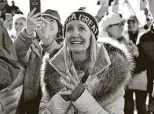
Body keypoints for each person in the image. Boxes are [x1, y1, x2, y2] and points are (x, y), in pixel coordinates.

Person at [39, 10, 134, 114]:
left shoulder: (111, 71)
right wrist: (61, 100)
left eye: (81, 28)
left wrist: (81, 97)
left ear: (92, 35)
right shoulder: (54, 69)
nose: (75, 34)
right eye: (70, 29)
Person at [13, 8, 63, 114]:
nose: (47, 23)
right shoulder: (32, 45)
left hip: (54, 105)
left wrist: (47, 40)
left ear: (59, 28)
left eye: (51, 20)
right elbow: (17, 56)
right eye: (43, 20)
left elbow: (62, 64)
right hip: (31, 103)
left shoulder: (66, 46)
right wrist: (28, 31)